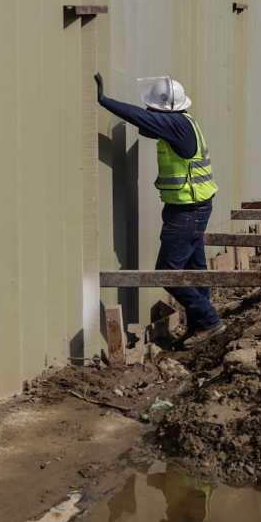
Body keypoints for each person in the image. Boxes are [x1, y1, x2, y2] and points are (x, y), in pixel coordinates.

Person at [94, 72, 226, 348]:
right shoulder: (185, 122)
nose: (148, 112)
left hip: (188, 209)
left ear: (164, 109)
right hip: (195, 205)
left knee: (167, 271)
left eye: (153, 109)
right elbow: (149, 126)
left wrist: (105, 101)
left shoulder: (176, 125)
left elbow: (142, 120)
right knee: (194, 269)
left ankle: (209, 320)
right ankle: (201, 325)